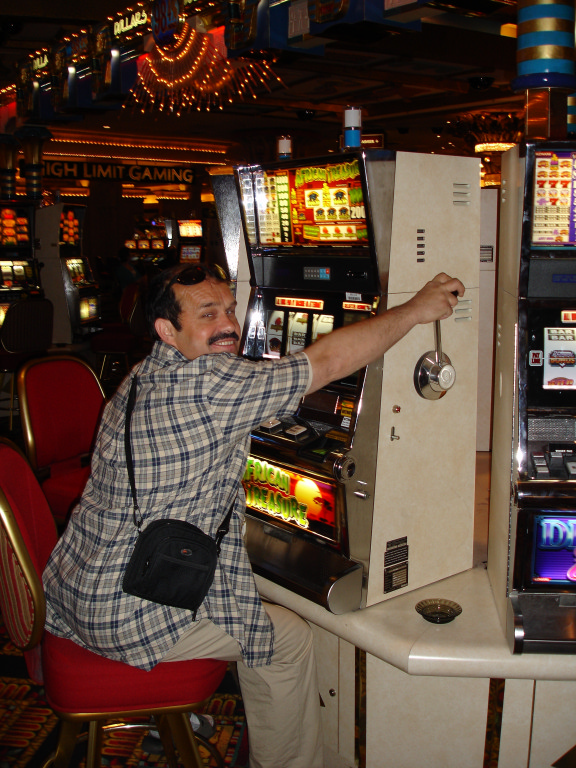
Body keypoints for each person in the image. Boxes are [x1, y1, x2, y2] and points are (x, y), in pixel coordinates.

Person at [42, 263, 464, 768]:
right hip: (127, 608)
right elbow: (327, 362)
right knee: (286, 639)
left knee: (245, 602)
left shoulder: (141, 374)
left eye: (229, 309)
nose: (228, 325)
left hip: (78, 583)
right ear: (167, 330)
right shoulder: (211, 384)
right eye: (207, 314)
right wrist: (415, 311)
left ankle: (179, 715)